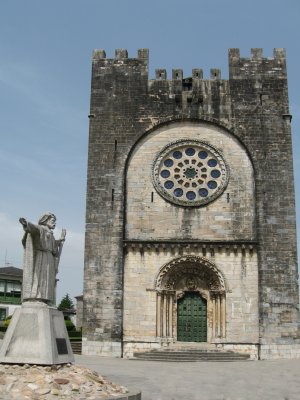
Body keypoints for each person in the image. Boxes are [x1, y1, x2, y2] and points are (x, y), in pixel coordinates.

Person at [19, 213, 66, 305]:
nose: (54, 223)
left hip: (49, 258)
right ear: (45, 220)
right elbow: (33, 228)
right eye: (53, 221)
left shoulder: (51, 234)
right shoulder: (41, 229)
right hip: (41, 257)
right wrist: (26, 223)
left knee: (48, 278)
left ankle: (45, 298)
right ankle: (37, 296)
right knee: (41, 277)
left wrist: (60, 240)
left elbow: (52, 246)